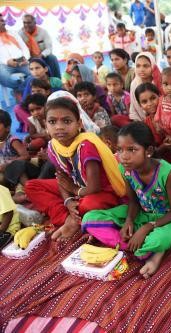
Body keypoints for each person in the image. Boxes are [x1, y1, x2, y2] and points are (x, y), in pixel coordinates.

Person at [82, 122, 171, 278]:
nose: (124, 156)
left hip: (167, 219)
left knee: (159, 239)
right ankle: (132, 244)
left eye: (132, 150)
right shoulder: (125, 169)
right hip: (142, 214)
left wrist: (147, 228)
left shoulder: (167, 173)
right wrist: (129, 221)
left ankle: (145, 246)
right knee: (90, 218)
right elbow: (133, 201)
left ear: (148, 151)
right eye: (120, 150)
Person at [25, 95, 125, 241]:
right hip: (77, 189)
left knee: (88, 204)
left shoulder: (86, 146)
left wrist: (73, 190)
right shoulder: (54, 146)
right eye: (52, 122)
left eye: (66, 121)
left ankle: (74, 219)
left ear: (79, 123)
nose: (59, 127)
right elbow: (61, 179)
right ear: (46, 125)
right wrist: (68, 201)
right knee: (31, 186)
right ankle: (69, 218)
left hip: (102, 191)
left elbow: (94, 187)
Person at [19, 14, 61, 78]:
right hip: (28, 58)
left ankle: (56, 81)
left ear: (35, 23)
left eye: (29, 23)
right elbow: (19, 50)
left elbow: (49, 48)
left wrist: (41, 55)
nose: (26, 25)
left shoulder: (43, 32)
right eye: (24, 23)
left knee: (52, 58)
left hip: (42, 56)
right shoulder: (20, 34)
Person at [0, 110, 31, 190]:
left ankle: (29, 189)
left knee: (16, 166)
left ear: (8, 128)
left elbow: (26, 156)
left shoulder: (13, 141)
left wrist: (9, 163)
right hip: (6, 175)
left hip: (17, 174)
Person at [0, 14, 31, 92]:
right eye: (0, 21)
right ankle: (23, 89)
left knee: (36, 73)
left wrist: (25, 58)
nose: (3, 23)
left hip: (21, 61)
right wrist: (7, 61)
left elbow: (24, 48)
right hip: (4, 65)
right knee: (4, 77)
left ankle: (21, 89)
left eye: (3, 20)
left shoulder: (13, 33)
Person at [129, 52, 163, 122]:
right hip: (141, 118)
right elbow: (135, 105)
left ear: (152, 66)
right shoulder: (134, 84)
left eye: (145, 66)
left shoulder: (159, 81)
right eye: (138, 66)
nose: (141, 69)